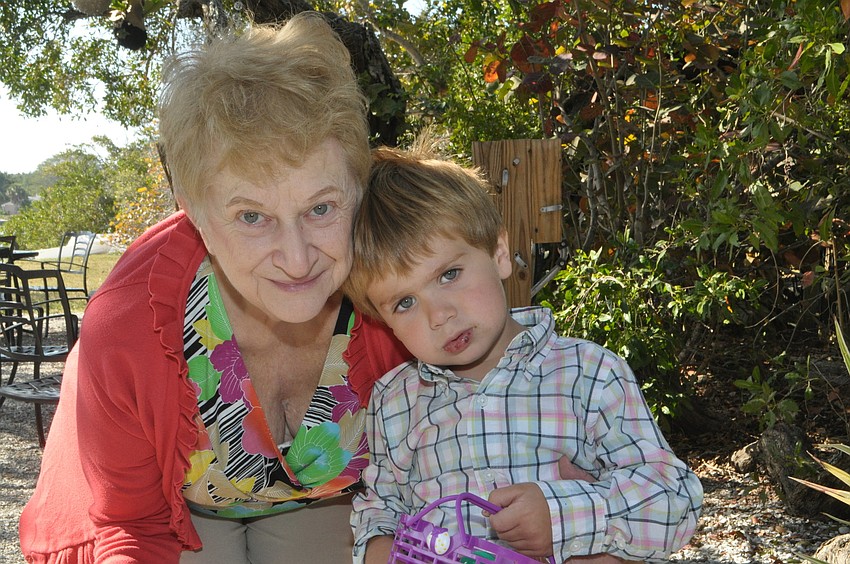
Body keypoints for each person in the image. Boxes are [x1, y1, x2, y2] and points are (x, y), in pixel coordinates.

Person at [19, 13, 410, 564]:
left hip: (335, 500)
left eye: (321, 208)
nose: (298, 260)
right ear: (195, 215)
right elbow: (132, 527)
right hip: (170, 509)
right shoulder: (127, 326)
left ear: (357, 187)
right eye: (252, 217)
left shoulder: (400, 289)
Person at [344, 144, 704, 563]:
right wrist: (380, 551)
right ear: (382, 319)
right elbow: (381, 506)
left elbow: (675, 499)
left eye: (449, 274)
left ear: (499, 252)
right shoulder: (395, 401)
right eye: (404, 303)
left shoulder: (588, 374)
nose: (438, 315)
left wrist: (561, 516)